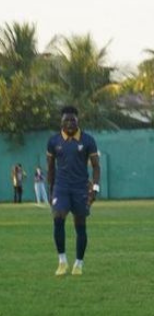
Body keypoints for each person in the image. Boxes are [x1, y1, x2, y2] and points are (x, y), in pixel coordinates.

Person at [46, 106, 100, 276]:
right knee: (58, 218)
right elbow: (50, 169)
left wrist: (95, 189)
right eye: (66, 120)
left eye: (73, 120)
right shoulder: (53, 141)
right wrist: (51, 190)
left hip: (80, 187)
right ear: (61, 122)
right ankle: (62, 261)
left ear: (78, 121)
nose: (69, 123)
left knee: (80, 225)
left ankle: (79, 263)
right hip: (61, 187)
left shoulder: (88, 140)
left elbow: (96, 166)